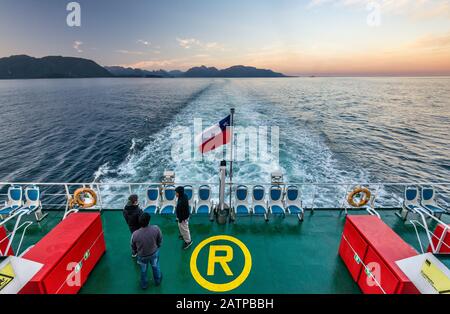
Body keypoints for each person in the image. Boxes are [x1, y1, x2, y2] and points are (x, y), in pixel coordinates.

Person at [131, 213, 163, 289]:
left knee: (143, 270)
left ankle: (144, 285)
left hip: (142, 256)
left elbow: (132, 245)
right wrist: (158, 246)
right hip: (153, 253)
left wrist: (135, 252)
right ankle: (157, 281)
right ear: (148, 221)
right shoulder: (156, 228)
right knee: (155, 267)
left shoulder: (135, 234)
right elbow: (160, 239)